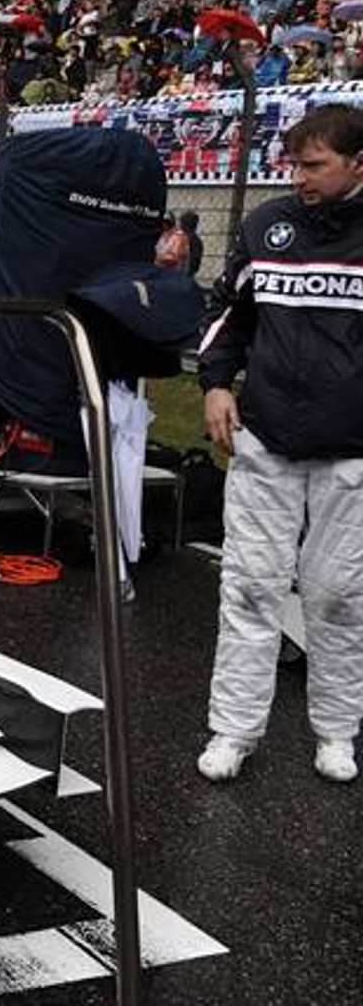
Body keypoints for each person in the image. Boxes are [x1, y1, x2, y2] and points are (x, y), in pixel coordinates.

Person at [195, 105, 363, 786]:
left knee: (338, 598)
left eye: (315, 164)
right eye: (294, 163)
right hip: (264, 440)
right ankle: (233, 730)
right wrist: (213, 384)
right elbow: (225, 315)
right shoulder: (268, 224)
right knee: (250, 590)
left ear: (358, 163)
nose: (300, 177)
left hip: (351, 451)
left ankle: (337, 731)